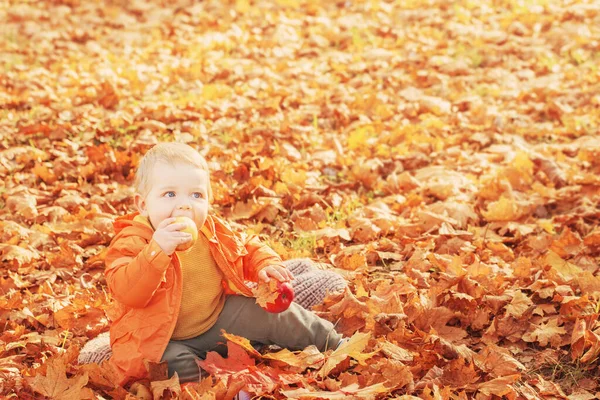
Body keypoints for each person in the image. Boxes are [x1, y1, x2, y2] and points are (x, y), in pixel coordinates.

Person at [104, 142, 344, 387]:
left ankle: (335, 344)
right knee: (167, 367)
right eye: (170, 194)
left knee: (271, 314)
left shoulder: (212, 230)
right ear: (143, 204)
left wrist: (264, 263)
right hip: (162, 340)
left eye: (196, 195)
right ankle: (224, 387)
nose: (185, 204)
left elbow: (246, 245)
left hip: (217, 318)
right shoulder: (133, 241)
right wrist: (156, 251)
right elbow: (126, 291)